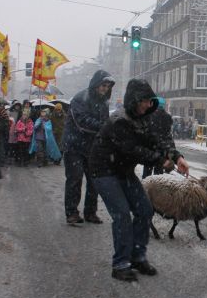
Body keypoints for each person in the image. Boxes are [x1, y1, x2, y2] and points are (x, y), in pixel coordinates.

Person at [89, 79, 190, 281]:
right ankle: (120, 264)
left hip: (123, 170)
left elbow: (157, 141)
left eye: (149, 100)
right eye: (143, 100)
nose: (146, 104)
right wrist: (161, 161)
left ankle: (137, 255)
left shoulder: (144, 119)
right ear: (134, 100)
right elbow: (132, 151)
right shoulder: (120, 120)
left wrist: (176, 156)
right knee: (122, 215)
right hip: (104, 170)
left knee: (144, 209)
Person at [62, 69, 115, 225]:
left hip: (92, 148)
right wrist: (105, 128)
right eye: (103, 85)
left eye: (107, 86)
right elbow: (82, 122)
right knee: (75, 178)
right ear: (96, 84)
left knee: (94, 180)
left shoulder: (104, 103)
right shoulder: (80, 98)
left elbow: (105, 123)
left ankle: (90, 212)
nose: (105, 89)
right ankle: (72, 213)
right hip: (74, 146)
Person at [142, 96, 174, 178]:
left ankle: (145, 188)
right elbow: (168, 134)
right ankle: (156, 188)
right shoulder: (167, 117)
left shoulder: (149, 115)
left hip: (150, 148)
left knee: (146, 174)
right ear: (163, 105)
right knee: (159, 174)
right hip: (161, 149)